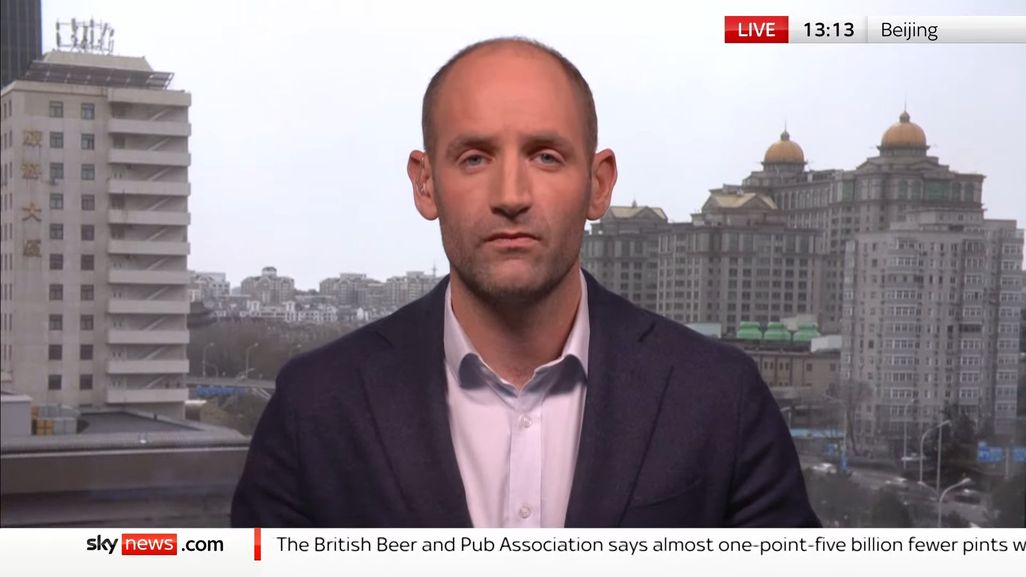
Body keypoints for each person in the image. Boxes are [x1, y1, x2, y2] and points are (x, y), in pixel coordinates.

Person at [231, 37, 820, 528]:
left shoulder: (719, 397)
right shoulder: (317, 405)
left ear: (598, 185)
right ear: (425, 184)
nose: (510, 196)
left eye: (545, 157)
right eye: (474, 158)